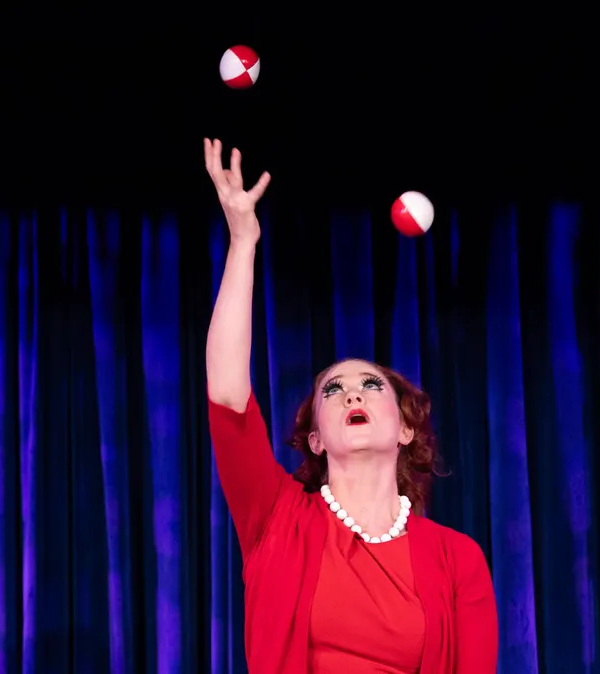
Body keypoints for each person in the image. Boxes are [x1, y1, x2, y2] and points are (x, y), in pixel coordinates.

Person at [202, 138, 499, 673]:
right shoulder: (277, 519)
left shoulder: (458, 559)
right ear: (315, 438)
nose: (353, 393)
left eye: (371, 385)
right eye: (332, 392)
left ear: (406, 428)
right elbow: (226, 394)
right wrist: (243, 240)